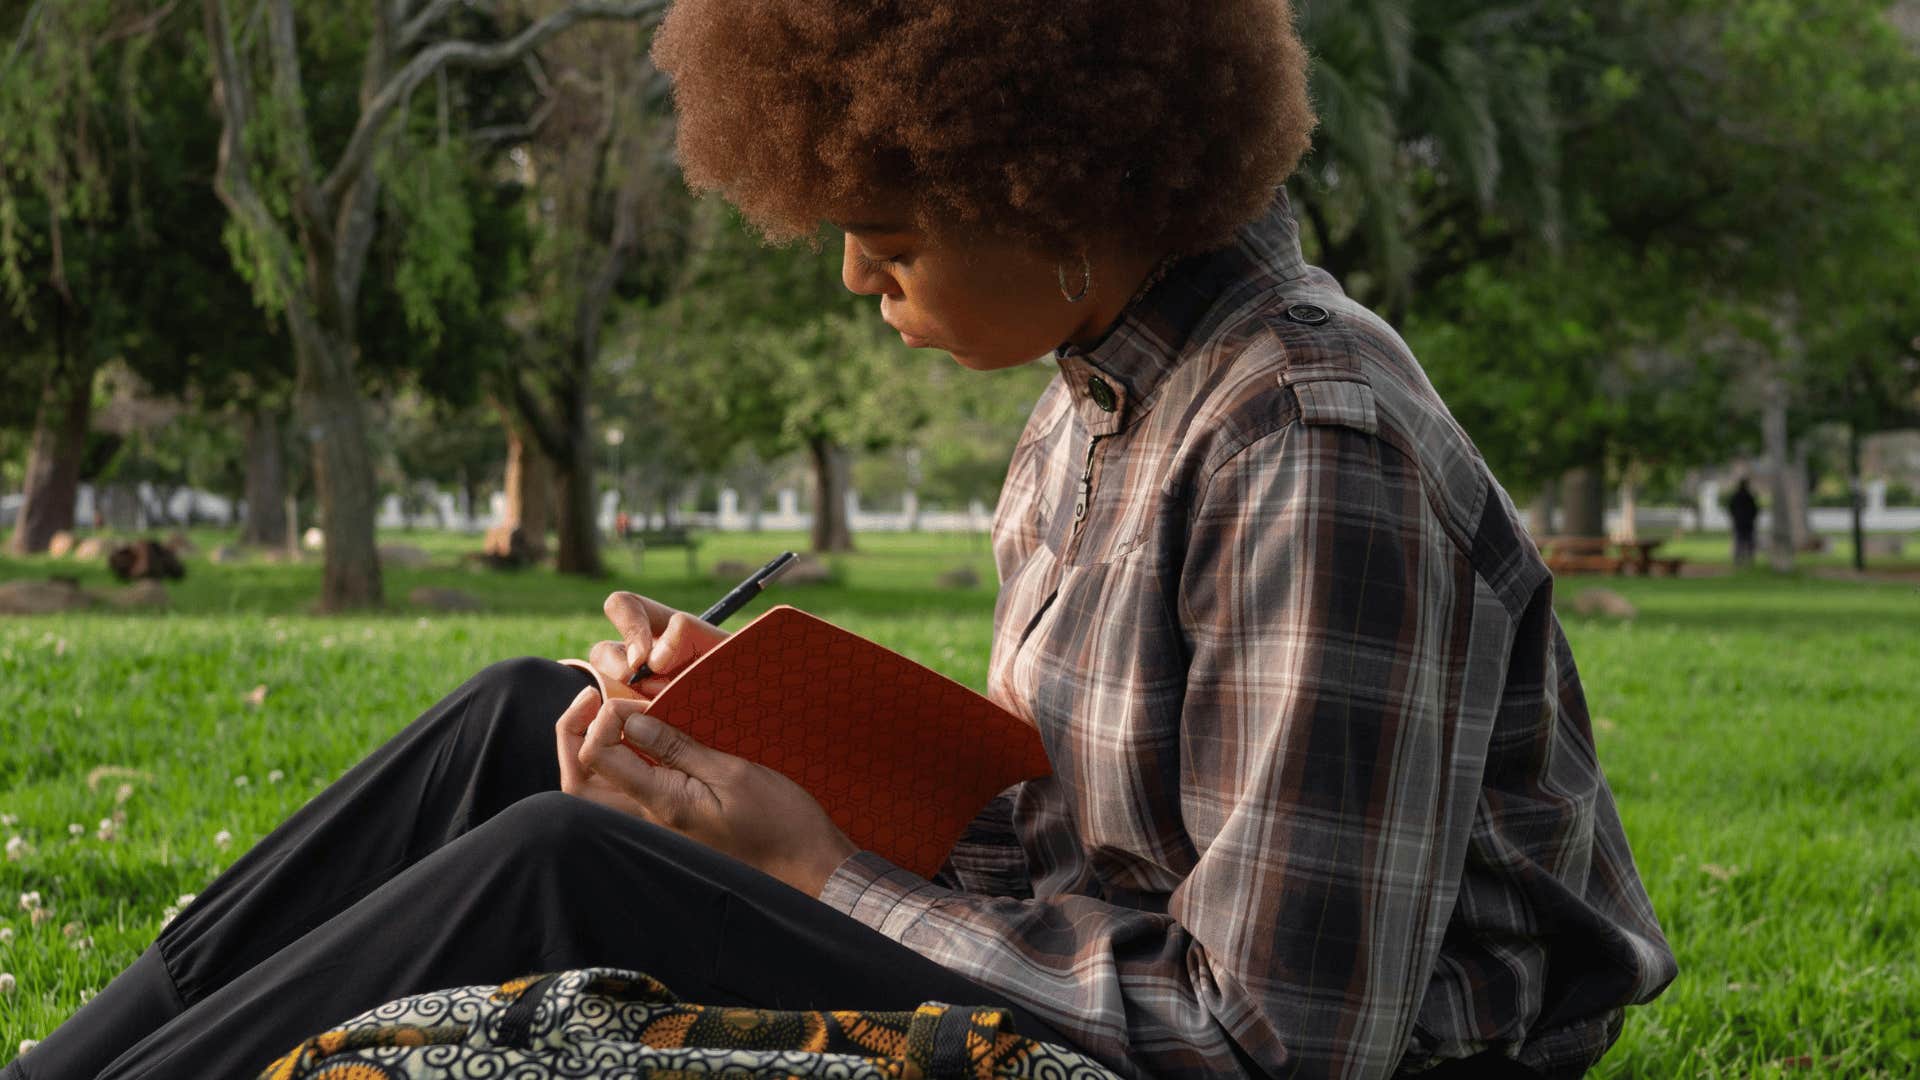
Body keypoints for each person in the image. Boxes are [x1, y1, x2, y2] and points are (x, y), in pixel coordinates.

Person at [9, 2, 1675, 1078]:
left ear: (1056, 190)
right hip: (1134, 968)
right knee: (524, 718)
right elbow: (1098, 831)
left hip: (1278, 1055)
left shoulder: (1312, 447)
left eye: (886, 235)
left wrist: (811, 866)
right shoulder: (1101, 395)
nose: (856, 280)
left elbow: (1283, 1043)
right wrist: (766, 726)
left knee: (572, 857)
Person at [1728, 477, 1761, 567]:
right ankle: (1749, 559)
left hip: (1739, 522)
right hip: (1748, 523)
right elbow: (1755, 509)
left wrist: (1735, 517)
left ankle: (1738, 559)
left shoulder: (1735, 496)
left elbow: (1731, 509)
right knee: (1749, 542)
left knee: (1739, 542)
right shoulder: (1749, 496)